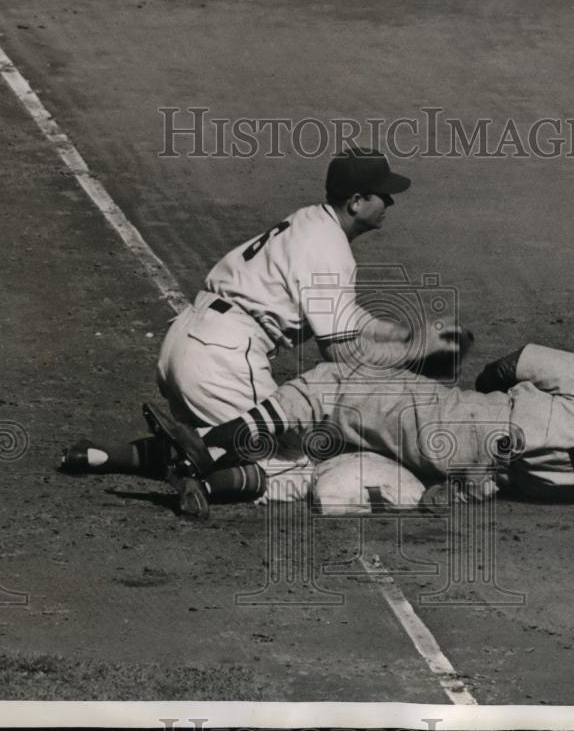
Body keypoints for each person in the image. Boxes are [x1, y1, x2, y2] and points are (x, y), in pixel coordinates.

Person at [61, 148, 459, 499]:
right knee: (298, 464)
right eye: (382, 194)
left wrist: (406, 334)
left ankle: (103, 455)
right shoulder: (329, 250)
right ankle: (200, 483)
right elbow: (340, 354)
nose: (390, 201)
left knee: (215, 443)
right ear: (356, 201)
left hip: (185, 341)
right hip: (223, 357)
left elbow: (347, 317)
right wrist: (415, 352)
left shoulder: (311, 222)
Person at [178, 344, 574, 515]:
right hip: (475, 484)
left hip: (461, 428)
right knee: (333, 461)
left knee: (334, 384)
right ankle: (216, 484)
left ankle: (210, 447)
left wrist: (478, 392)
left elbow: (512, 363)